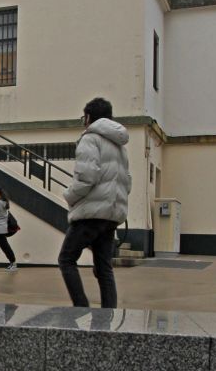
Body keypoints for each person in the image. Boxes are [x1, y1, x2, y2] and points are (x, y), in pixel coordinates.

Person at [58, 97, 131, 308]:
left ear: (89, 117)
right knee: (104, 268)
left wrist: (69, 195)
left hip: (91, 213)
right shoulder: (120, 146)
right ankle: (108, 315)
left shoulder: (90, 139)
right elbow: (127, 181)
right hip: (111, 214)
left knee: (66, 259)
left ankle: (80, 307)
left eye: (84, 117)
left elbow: (87, 177)